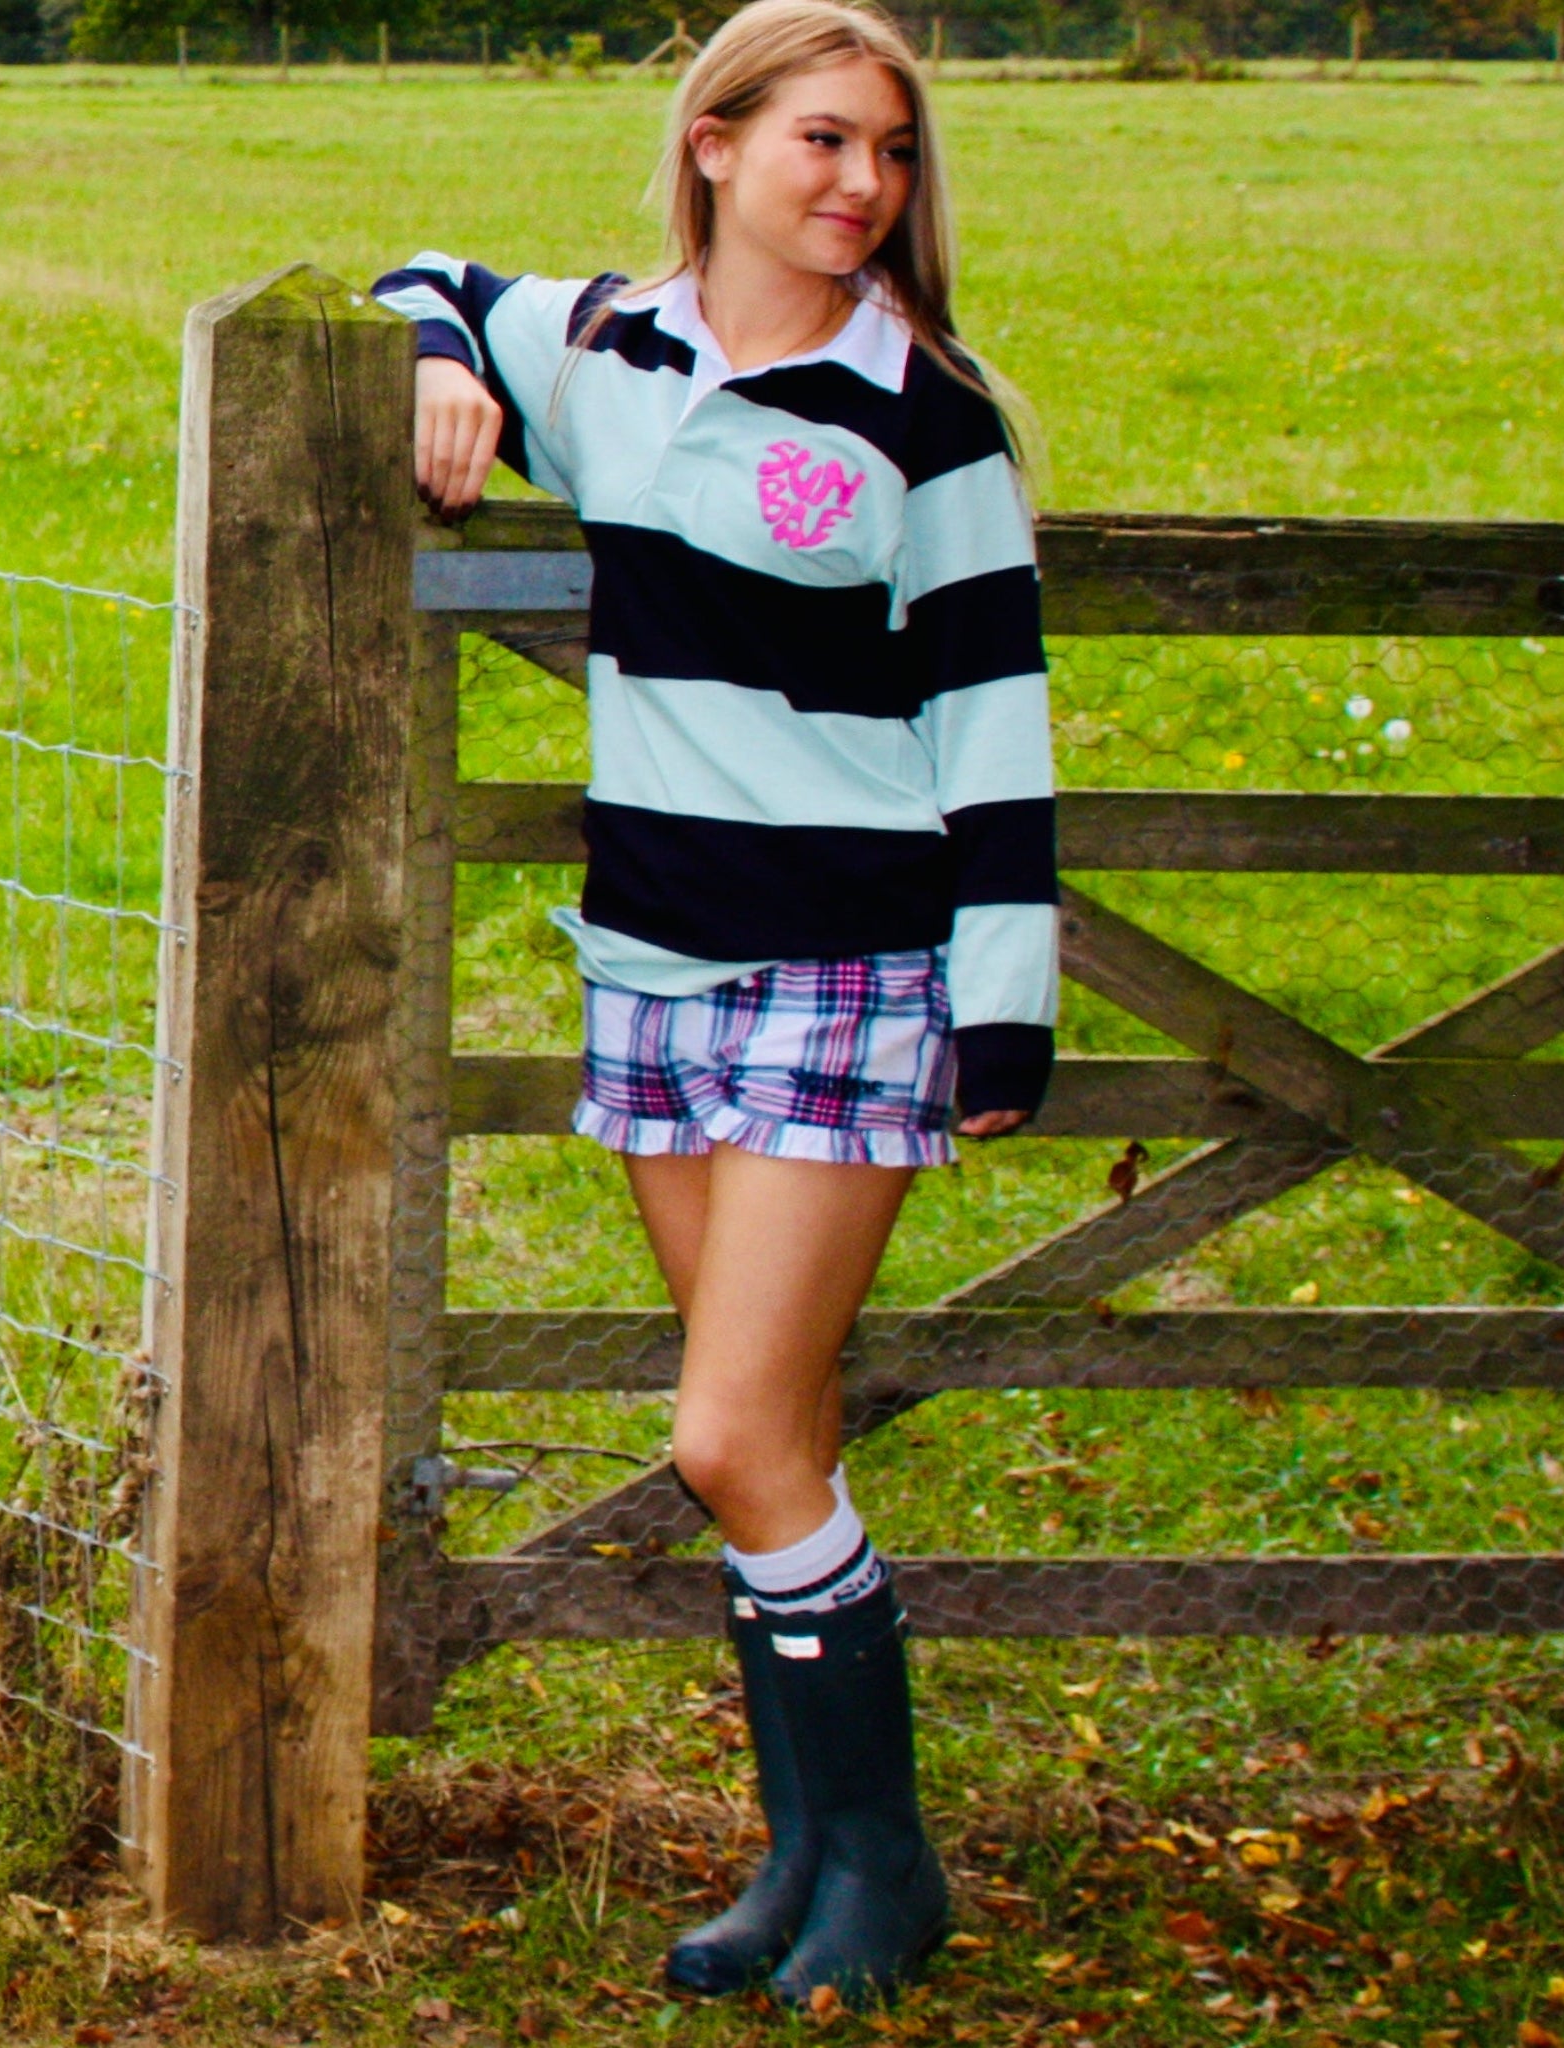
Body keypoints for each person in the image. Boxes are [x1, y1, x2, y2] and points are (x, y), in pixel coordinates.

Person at [375, 0, 1055, 2011]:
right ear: (716, 143)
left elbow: (993, 724)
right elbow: (419, 276)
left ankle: (889, 1866)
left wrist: (1000, 1012)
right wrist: (436, 365)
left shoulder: (921, 417)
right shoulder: (608, 353)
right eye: (824, 140)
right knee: (783, 1439)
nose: (863, 183)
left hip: (851, 972)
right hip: (650, 967)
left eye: (892, 152)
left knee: (729, 1432)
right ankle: (804, 1864)